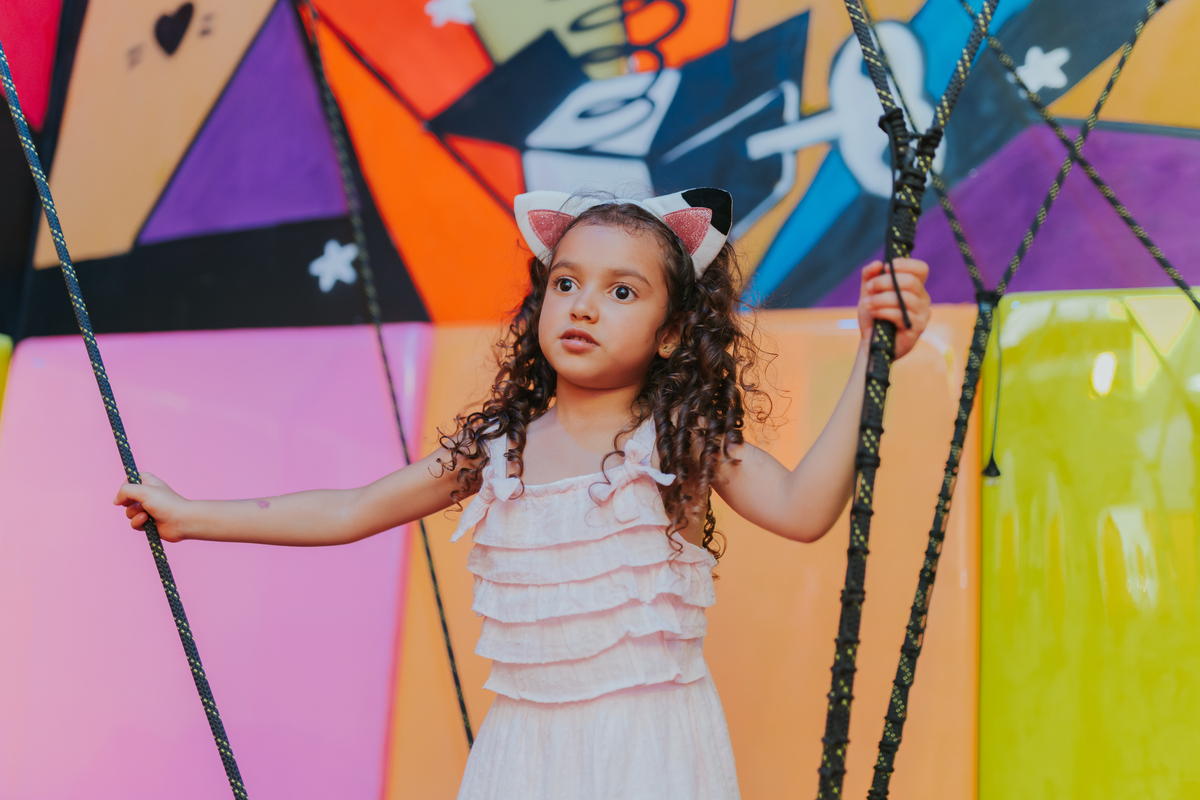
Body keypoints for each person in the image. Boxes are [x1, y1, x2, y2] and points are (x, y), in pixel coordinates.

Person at [114, 188, 931, 800]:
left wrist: (873, 356)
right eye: (566, 283)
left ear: (674, 332)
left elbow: (803, 509)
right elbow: (352, 509)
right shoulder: (497, 448)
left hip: (649, 752)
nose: (584, 307)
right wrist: (193, 516)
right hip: (523, 755)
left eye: (622, 292)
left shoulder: (678, 441)